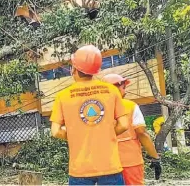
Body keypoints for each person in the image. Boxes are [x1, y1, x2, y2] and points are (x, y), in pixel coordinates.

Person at [50, 45, 129, 185]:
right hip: (110, 166)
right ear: (95, 70)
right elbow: (123, 124)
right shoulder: (112, 91)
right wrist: (105, 133)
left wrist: (77, 135)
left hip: (80, 169)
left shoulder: (62, 96)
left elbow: (55, 131)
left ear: (74, 69)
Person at [103, 74, 162, 185]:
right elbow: (142, 133)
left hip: (107, 163)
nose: (125, 91)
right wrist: (155, 157)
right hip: (130, 161)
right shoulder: (130, 106)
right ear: (115, 88)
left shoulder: (97, 111)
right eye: (123, 87)